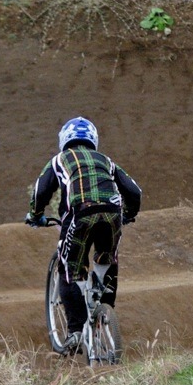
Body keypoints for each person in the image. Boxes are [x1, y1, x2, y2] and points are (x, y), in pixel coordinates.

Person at [25, 117, 142, 354]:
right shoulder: (106, 161)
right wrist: (128, 215)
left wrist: (35, 214)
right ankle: (105, 311)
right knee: (107, 259)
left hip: (80, 214)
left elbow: (41, 190)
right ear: (93, 140)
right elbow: (134, 190)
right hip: (112, 214)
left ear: (64, 140)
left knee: (69, 268)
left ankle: (76, 332)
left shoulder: (59, 160)